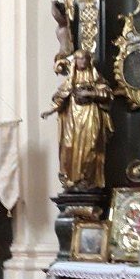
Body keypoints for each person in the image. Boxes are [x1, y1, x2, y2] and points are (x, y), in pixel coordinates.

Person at [41, 49, 114, 190]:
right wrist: (50, 111)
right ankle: (72, 179)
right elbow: (61, 97)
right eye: (79, 59)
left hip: (91, 115)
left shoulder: (95, 77)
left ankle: (88, 180)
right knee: (69, 146)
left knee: (90, 147)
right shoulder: (71, 80)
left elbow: (107, 94)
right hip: (73, 116)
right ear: (75, 61)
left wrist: (91, 93)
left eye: (85, 59)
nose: (83, 61)